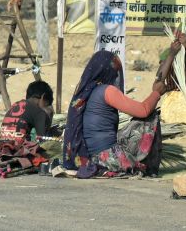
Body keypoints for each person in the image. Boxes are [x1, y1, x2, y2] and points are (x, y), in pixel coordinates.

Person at [64, 48, 176, 178]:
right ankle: (148, 166)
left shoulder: (88, 91)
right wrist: (156, 93)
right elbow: (143, 110)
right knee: (151, 118)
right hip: (108, 158)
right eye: (115, 70)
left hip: (92, 157)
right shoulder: (107, 90)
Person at [0, 81, 58, 174]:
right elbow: (43, 138)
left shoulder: (16, 104)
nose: (47, 107)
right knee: (47, 158)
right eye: (47, 104)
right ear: (43, 97)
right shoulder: (39, 112)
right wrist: (49, 115)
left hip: (2, 151)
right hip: (19, 151)